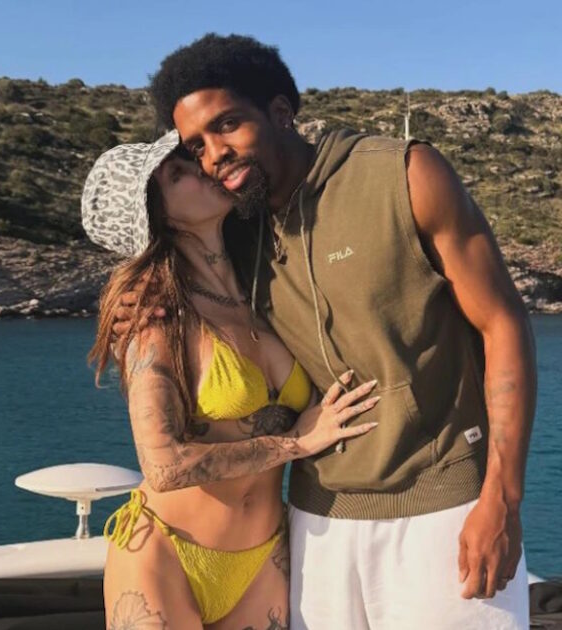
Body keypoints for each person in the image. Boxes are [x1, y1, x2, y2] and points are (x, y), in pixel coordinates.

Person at [115, 34, 539, 629]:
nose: (213, 156)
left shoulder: (402, 176)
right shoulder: (238, 224)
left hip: (441, 506)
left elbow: (504, 324)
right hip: (318, 521)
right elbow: (163, 244)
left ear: (281, 112)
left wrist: (503, 499)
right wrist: (137, 297)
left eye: (228, 124)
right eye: (195, 147)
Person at [81, 130, 381, 629]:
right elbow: (164, 466)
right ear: (159, 216)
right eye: (178, 174)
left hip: (262, 554)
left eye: (191, 160)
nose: (202, 170)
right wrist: (295, 443)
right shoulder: (158, 317)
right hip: (165, 555)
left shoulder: (266, 286)